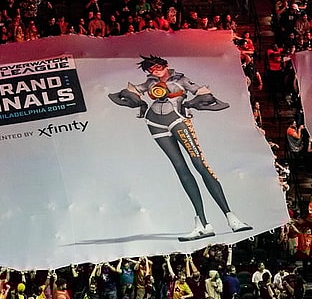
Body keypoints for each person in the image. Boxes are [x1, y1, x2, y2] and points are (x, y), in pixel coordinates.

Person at [108, 55, 253, 241]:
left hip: (178, 121)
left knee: (200, 165)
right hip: (155, 123)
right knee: (180, 168)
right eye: (150, 69)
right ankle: (202, 223)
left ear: (165, 65)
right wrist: (137, 100)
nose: (154, 71)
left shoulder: (181, 79)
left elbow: (206, 96)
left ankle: (231, 217)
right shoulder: (150, 82)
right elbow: (122, 94)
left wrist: (191, 103)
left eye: (157, 67)